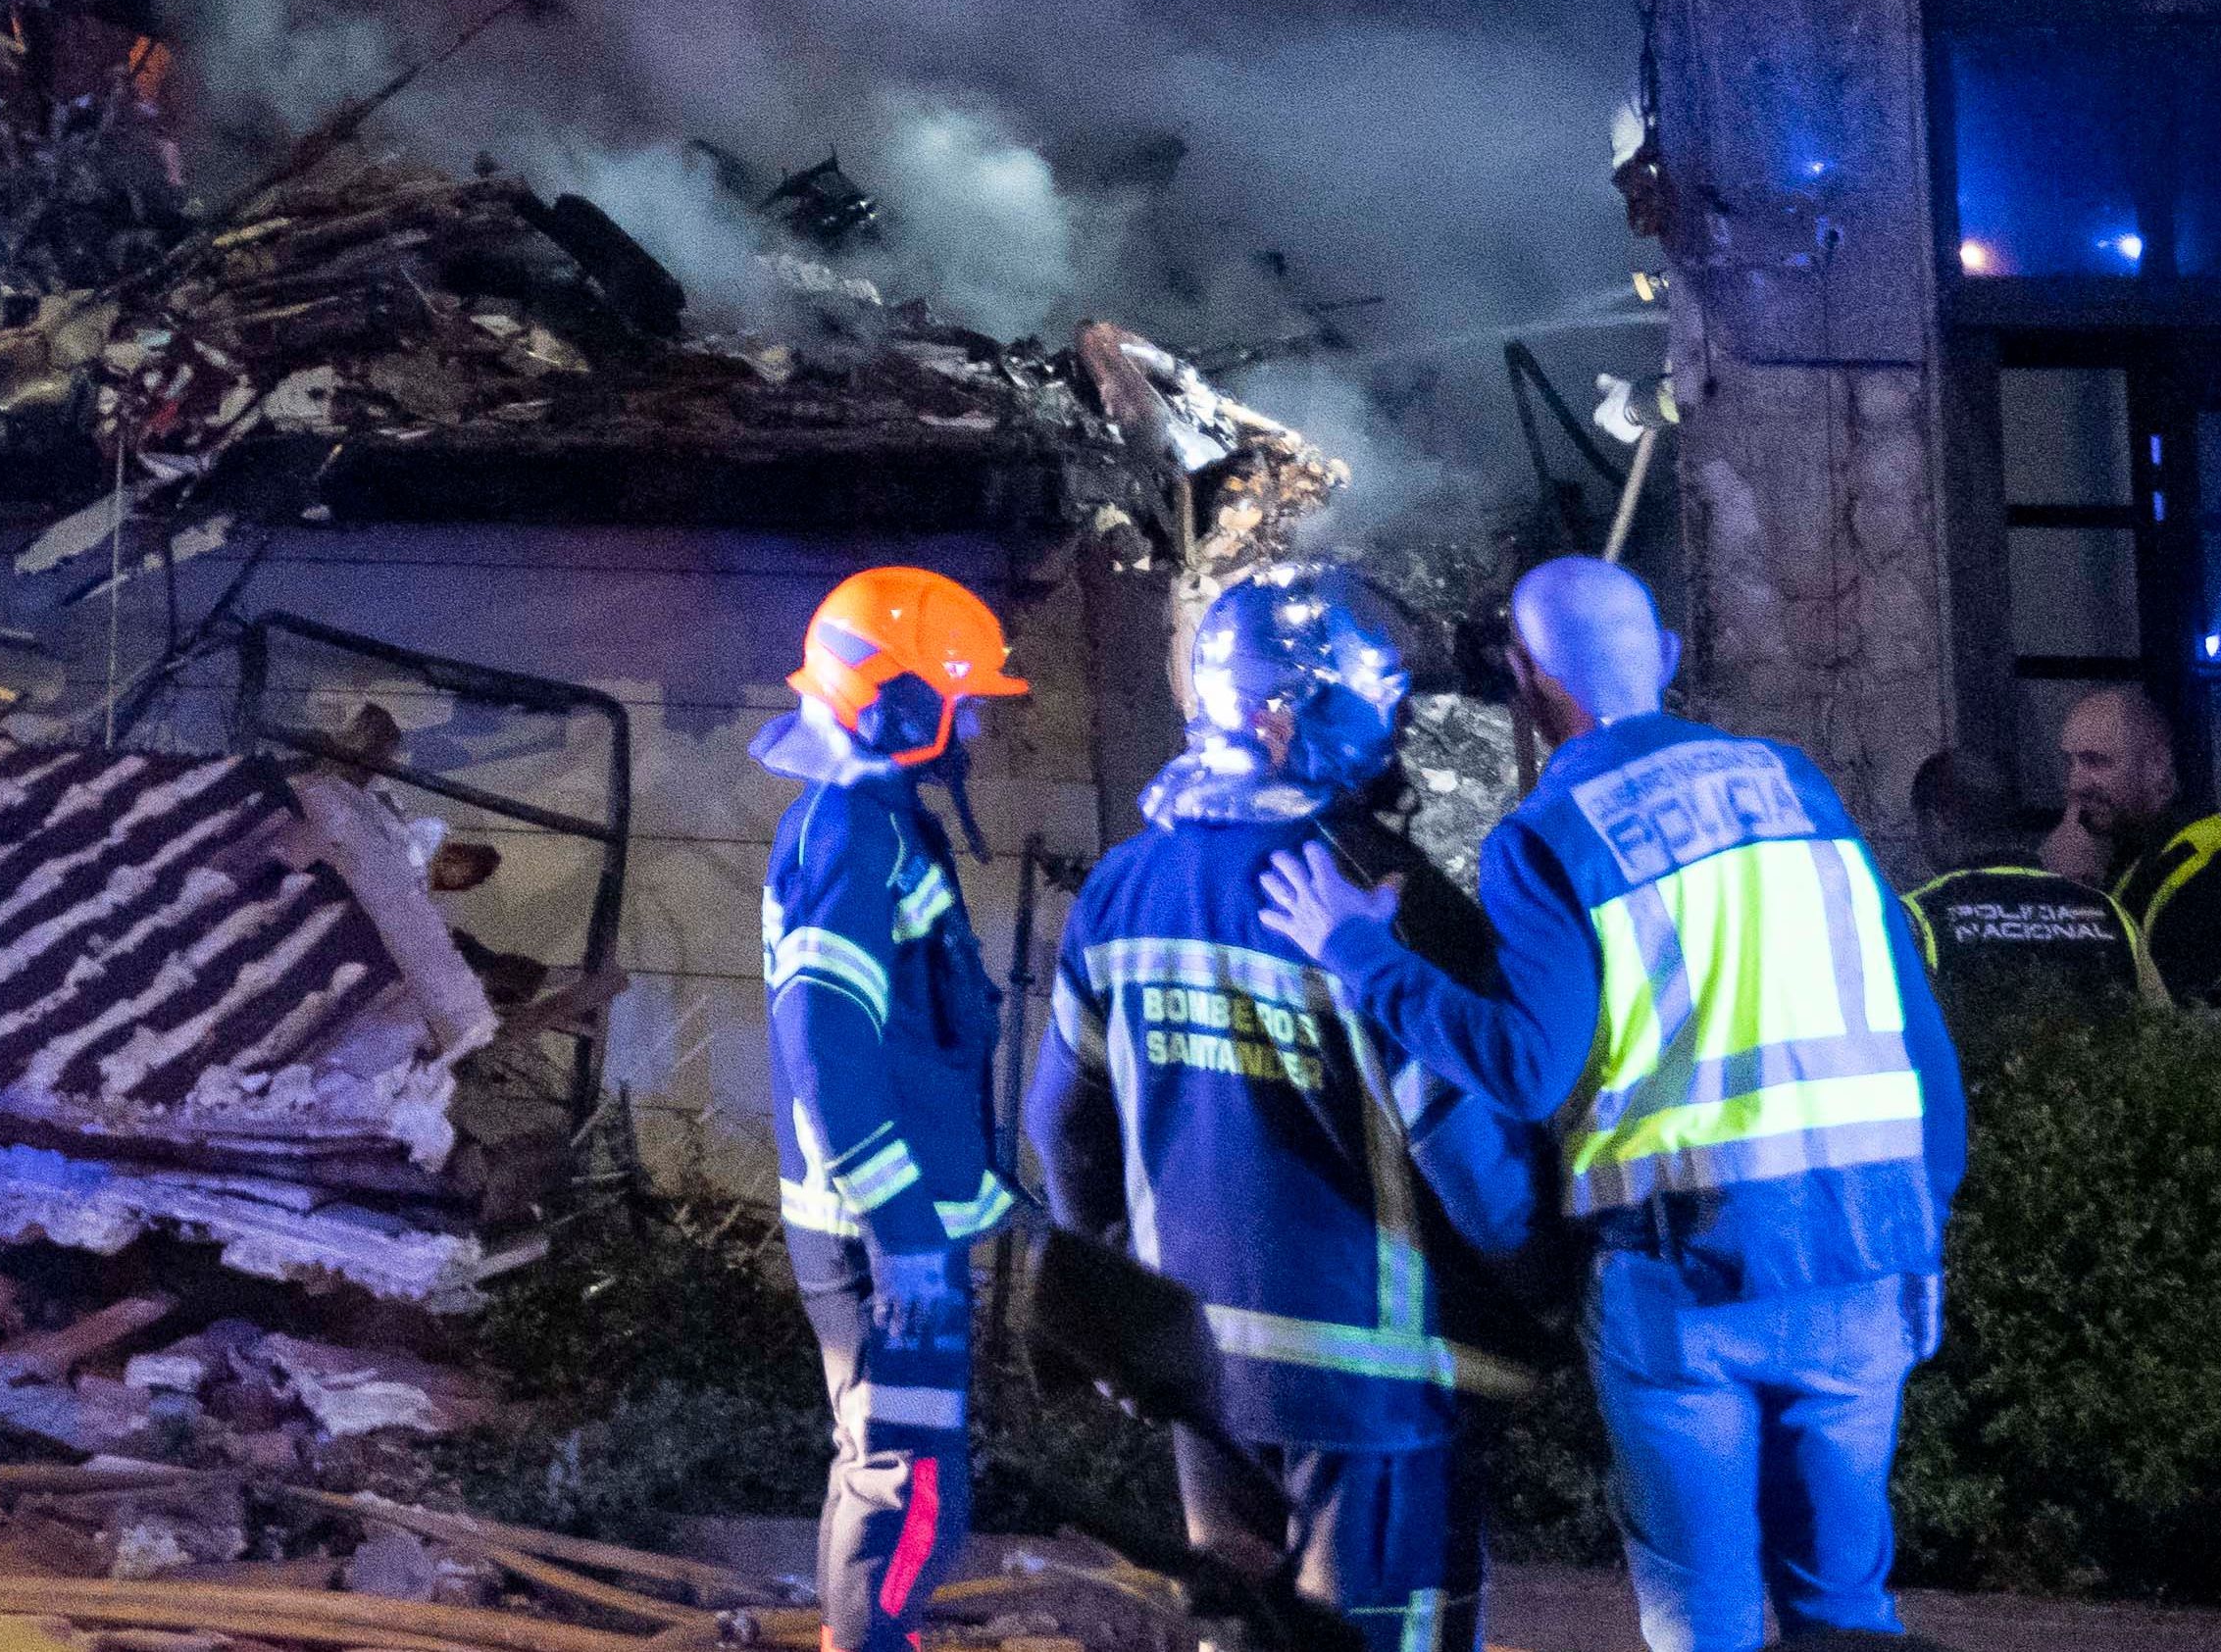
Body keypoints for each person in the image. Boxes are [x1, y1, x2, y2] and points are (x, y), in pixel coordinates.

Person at [1260, 559, 1963, 1652]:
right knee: (1846, 1614)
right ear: (1672, 660)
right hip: (1865, 1254)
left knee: (1708, 1625)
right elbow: (1920, 1037)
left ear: (1531, 690)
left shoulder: (1545, 834)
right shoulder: (1797, 785)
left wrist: (1356, 950)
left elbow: (1526, 1067)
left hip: (1681, 1281)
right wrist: (1927, 1231)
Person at [1029, 569, 1545, 1652]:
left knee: (1242, 1635)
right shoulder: (1381, 899)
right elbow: (1474, 1159)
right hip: (1375, 1383)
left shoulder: (1122, 887)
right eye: (1380, 705)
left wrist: (1124, 1303)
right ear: (1309, 712)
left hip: (1205, 1371)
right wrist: (1542, 1292)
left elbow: (1061, 1127)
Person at [765, 564, 1029, 1652]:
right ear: (907, 709)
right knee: (907, 1480)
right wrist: (909, 1239)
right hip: (885, 1236)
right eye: (964, 706)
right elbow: (824, 1044)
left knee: (891, 1464)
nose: (977, 729)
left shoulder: (866, 822)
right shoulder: (854, 837)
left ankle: (870, 1639)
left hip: (890, 1222)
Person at [2037, 678, 2221, 1005]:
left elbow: (2141, 1007)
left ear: (2157, 766)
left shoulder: (2211, 867)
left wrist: (2071, 893)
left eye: (2096, 762)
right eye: (2070, 763)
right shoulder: (2140, 849)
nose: (2075, 783)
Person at [1897, 751, 2128, 1018]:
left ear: (1941, 819)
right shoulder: (2108, 912)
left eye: (1917, 823)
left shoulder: (1913, 918)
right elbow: (2163, 1029)